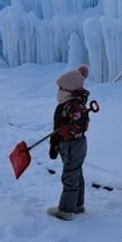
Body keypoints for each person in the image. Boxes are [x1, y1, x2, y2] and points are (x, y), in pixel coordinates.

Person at [47, 64, 91, 221]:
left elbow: (82, 124)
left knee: (70, 176)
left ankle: (66, 210)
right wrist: (55, 144)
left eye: (61, 89)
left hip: (74, 144)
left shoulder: (75, 105)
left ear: (69, 90)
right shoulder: (67, 104)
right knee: (76, 174)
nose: (58, 92)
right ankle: (77, 205)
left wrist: (68, 130)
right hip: (68, 144)